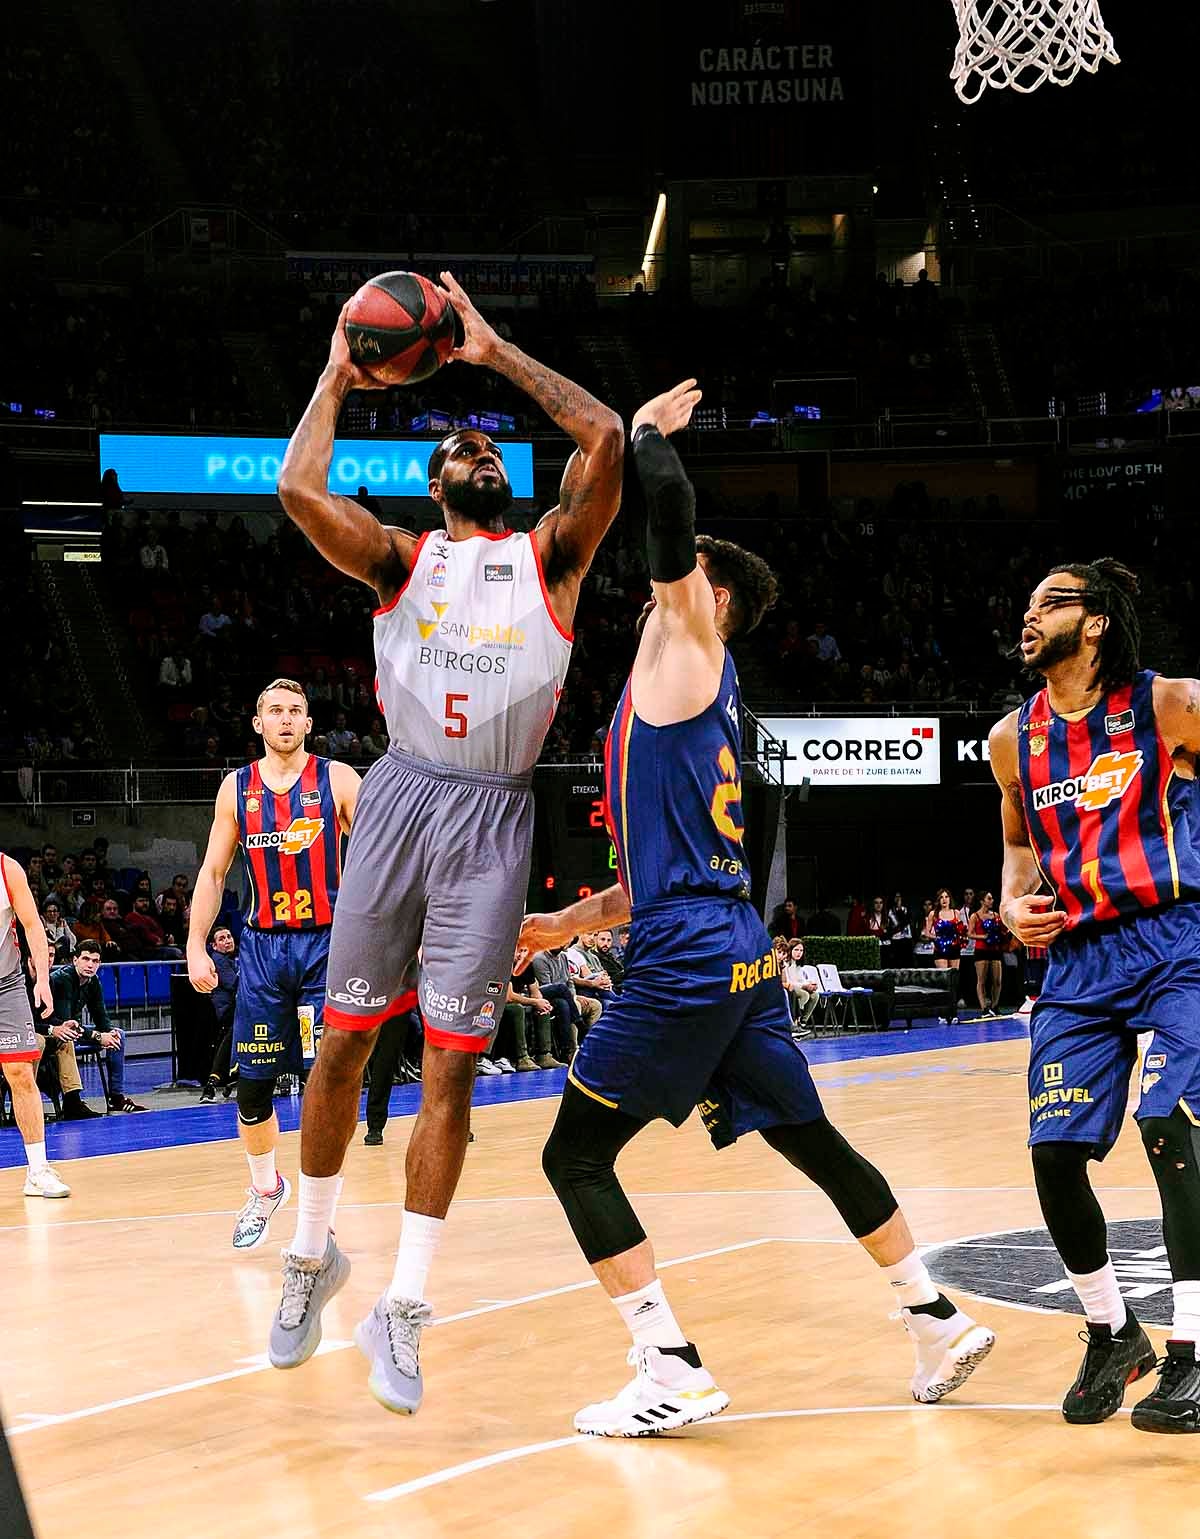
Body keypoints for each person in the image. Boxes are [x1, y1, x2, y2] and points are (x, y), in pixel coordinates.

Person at [519, 381, 994, 1437]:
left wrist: (644, 437)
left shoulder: (688, 648)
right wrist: (563, 926)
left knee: (574, 1158)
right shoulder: (686, 701)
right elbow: (649, 880)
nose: (656, 582)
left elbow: (673, 525)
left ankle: (670, 1364)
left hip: (690, 953)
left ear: (710, 597)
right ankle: (935, 1317)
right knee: (809, 1135)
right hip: (725, 946)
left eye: (678, 576)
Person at [266, 271, 623, 1413]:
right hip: (405, 797)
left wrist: (492, 351)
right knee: (342, 1049)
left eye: (486, 440)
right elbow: (295, 483)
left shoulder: (553, 558)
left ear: (505, 479)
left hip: (492, 816)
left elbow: (606, 436)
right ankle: (313, 1254)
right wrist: (335, 366)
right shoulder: (398, 559)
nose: (473, 443)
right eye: (454, 440)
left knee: (454, 1071)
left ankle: (405, 1308)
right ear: (433, 485)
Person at [992, 557, 1200, 1434]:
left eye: (1052, 602)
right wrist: (1011, 900)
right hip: (1078, 961)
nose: (1030, 615)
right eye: (1030, 604)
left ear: (1099, 621)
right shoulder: (1014, 739)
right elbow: (1015, 845)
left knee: (1170, 1124)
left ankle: (1193, 1351)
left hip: (1178, 938)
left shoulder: (1170, 703)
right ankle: (1113, 1332)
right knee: (1052, 1152)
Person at [187, 679, 360, 1250]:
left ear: (309, 723)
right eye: (275, 711)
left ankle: (319, 1216)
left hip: (325, 947)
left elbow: (375, 861)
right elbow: (213, 874)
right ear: (258, 723)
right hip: (262, 952)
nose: (286, 719)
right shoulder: (235, 790)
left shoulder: (336, 779)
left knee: (323, 1084)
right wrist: (195, 945)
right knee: (253, 1090)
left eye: (296, 711)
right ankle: (266, 1188)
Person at [0, 852, 69, 1196]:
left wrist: (42, 979)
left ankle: (37, 1170)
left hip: (6, 984)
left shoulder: (7, 869)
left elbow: (32, 926)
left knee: (21, 1074)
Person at [47, 939, 146, 1113]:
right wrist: (99, 1036)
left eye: (95, 961)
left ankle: (116, 1098)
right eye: (85, 959)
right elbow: (65, 1023)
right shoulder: (62, 980)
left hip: (78, 1031)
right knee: (74, 1035)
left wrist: (109, 1032)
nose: (90, 965)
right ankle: (73, 1101)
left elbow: (101, 1016)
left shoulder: (93, 982)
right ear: (75, 960)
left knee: (118, 1035)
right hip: (57, 1032)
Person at [199, 924, 239, 1103]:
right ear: (214, 946)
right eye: (222, 939)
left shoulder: (232, 960)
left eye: (229, 936)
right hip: (229, 1011)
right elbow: (235, 985)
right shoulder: (219, 960)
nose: (227, 941)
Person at [968, 892, 1007, 1017]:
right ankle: (984, 1008)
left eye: (992, 898)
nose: (992, 901)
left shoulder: (995, 915)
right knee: (982, 981)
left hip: (995, 950)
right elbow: (969, 933)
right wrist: (982, 937)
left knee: (997, 980)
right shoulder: (975, 916)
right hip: (981, 950)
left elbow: (1002, 930)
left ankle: (995, 1006)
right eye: (989, 898)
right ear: (982, 901)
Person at [782, 938, 820, 1038]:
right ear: (790, 950)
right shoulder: (786, 963)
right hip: (790, 987)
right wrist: (804, 986)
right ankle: (796, 1019)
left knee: (815, 995)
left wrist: (809, 984)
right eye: (796, 950)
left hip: (798, 986)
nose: (799, 953)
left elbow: (801, 979)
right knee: (804, 994)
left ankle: (803, 1021)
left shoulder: (798, 964)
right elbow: (789, 982)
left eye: (801, 950)